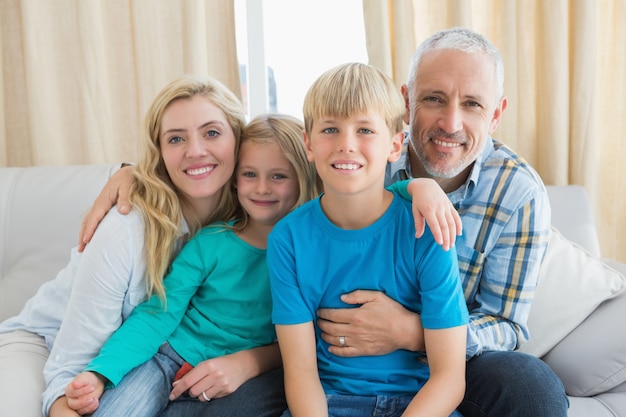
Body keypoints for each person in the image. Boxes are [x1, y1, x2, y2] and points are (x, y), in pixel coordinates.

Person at [314, 28, 569, 416]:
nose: (450, 124)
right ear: (406, 102)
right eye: (434, 99)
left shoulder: (518, 192)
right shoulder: (358, 156)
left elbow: (506, 323)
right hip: (342, 352)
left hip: (449, 362)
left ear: (496, 114)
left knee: (531, 386)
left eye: (472, 105)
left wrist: (410, 332)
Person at [0, 74, 282, 417]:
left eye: (211, 132)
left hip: (139, 358)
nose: (195, 151)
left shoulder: (253, 211)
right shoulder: (125, 228)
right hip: (46, 346)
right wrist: (67, 403)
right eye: (176, 138)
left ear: (239, 140)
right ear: (160, 152)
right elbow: (70, 364)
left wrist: (252, 361)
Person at [62, 113, 319, 417]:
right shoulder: (212, 242)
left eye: (278, 176)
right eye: (250, 174)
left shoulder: (308, 253)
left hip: (229, 381)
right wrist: (101, 373)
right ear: (235, 180)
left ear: (302, 179)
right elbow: (159, 312)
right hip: (166, 360)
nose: (262, 188)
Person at [268, 62, 469, 417]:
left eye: (364, 130)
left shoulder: (427, 228)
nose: (346, 144)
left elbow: (450, 376)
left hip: (417, 405)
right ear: (308, 144)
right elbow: (300, 373)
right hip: (328, 405)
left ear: (395, 145)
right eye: (330, 129)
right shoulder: (288, 239)